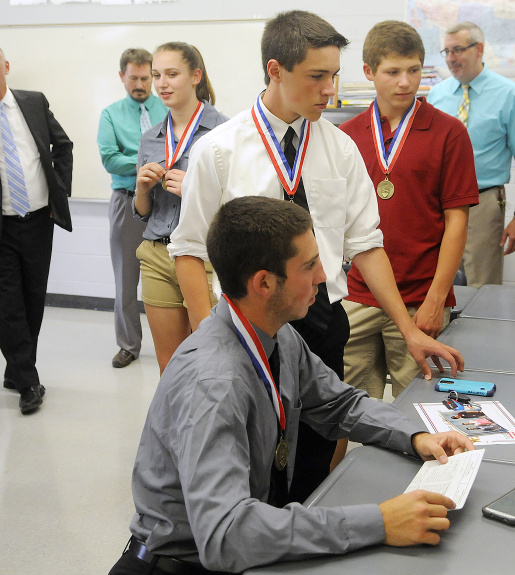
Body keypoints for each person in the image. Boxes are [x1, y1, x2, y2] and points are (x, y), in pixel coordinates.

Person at [169, 10, 463, 502]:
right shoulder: (219, 150)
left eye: (334, 75)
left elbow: (366, 246)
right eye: (317, 76)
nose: (330, 90)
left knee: (314, 457)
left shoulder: (340, 148)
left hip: (323, 320)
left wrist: (408, 328)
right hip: (247, 327)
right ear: (275, 70)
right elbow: (188, 251)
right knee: (249, 456)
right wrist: (207, 340)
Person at [110, 196, 474, 575]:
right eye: (310, 265)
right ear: (264, 283)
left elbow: (341, 404)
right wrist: (380, 522)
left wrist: (415, 435)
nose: (323, 276)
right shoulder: (215, 382)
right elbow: (226, 535)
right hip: (182, 565)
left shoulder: (277, 336)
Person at [338, 21, 477, 399]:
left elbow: (456, 222)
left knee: (417, 408)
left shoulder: (449, 132)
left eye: (414, 70)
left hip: (420, 299)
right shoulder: (346, 136)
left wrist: (436, 298)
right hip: (358, 296)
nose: (405, 82)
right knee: (344, 410)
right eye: (393, 72)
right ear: (369, 72)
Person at [0, 41, 73, 414]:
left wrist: (60, 193)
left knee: (32, 300)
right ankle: (28, 382)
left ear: (6, 66)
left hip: (39, 219)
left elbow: (63, 146)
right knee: (8, 304)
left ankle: (16, 368)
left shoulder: (33, 101)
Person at [133, 42, 227, 373]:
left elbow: (239, 205)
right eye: (157, 75)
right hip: (157, 254)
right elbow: (143, 210)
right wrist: (142, 189)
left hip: (205, 256)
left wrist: (195, 189)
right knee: (169, 365)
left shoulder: (225, 132)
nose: (162, 84)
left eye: (172, 74)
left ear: (195, 76)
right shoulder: (151, 136)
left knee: (210, 359)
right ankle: (175, 426)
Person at [426, 21, 515, 287]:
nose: (451, 58)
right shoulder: (436, 94)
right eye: (447, 52)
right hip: (438, 203)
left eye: (457, 50)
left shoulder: (508, 93)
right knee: (435, 280)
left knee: (481, 286)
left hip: (483, 201)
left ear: (479, 49)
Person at [98, 48, 166, 369]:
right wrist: (149, 165)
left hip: (168, 202)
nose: (140, 84)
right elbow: (110, 159)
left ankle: (180, 339)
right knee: (126, 278)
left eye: (146, 77)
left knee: (176, 270)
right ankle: (128, 344)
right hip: (126, 201)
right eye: (133, 78)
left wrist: (144, 163)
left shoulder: (168, 108)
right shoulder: (110, 114)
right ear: (122, 76)